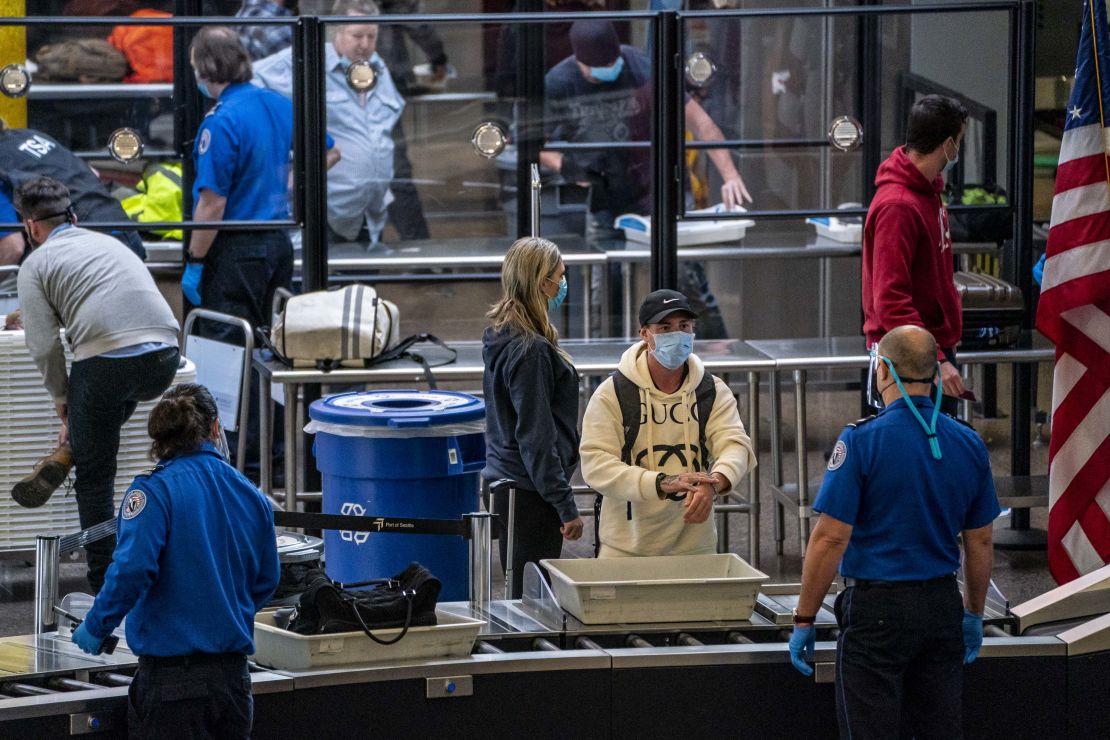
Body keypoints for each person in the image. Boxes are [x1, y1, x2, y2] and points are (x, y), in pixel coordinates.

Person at [788, 325, 999, 739]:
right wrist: (973, 614)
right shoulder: (968, 443)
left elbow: (830, 538)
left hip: (876, 615)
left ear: (882, 370)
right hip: (941, 606)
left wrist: (804, 618)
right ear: (934, 374)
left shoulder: (862, 441)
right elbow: (981, 540)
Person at [71, 383, 280, 739]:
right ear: (215, 429)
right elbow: (267, 579)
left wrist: (97, 625)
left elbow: (132, 569)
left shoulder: (153, 491)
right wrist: (222, 610)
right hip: (233, 683)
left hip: (173, 686)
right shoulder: (251, 494)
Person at [14, 176, 180, 592]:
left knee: (95, 475)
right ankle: (73, 445)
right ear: (73, 216)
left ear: (31, 226)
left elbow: (43, 343)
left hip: (107, 363)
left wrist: (60, 399)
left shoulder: (36, 263)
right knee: (102, 412)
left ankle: (104, 580)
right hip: (164, 356)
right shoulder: (108, 243)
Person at [185, 26, 337, 475]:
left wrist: (194, 261)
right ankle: (275, 452)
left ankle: (244, 461)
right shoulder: (277, 104)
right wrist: (283, 185)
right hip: (277, 243)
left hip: (236, 249)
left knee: (234, 353)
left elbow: (211, 202)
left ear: (206, 67)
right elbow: (328, 152)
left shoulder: (222, 120)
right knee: (267, 348)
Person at [541, 19, 750, 337]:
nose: (609, 69)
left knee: (688, 282)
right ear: (580, 62)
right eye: (600, 67)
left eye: (613, 63)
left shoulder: (642, 68)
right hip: (606, 195)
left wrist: (730, 174)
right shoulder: (559, 83)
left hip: (658, 190)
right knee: (604, 291)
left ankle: (713, 366)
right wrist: (569, 167)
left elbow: (702, 124)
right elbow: (533, 144)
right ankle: (604, 378)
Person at [579, 289, 755, 557]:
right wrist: (660, 482)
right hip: (625, 549)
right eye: (664, 327)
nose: (677, 335)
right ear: (644, 334)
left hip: (695, 547)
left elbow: (735, 444)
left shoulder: (711, 390)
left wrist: (715, 482)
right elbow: (596, 463)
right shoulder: (612, 393)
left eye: (684, 326)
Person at [482, 236, 585, 598]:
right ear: (543, 283)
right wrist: (565, 505)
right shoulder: (532, 352)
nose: (563, 283)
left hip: (507, 481)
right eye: (560, 275)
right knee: (533, 600)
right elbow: (536, 438)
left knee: (520, 591)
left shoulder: (504, 337)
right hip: (530, 492)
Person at [253, 0, 404, 245]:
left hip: (370, 213)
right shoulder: (308, 60)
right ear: (338, 31)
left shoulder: (378, 67)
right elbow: (248, 79)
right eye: (357, 36)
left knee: (366, 281)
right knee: (327, 282)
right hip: (326, 211)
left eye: (371, 36)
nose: (365, 45)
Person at [862, 94, 970, 414]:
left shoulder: (929, 191)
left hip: (930, 350)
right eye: (959, 142)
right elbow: (891, 298)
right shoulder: (898, 205)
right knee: (913, 457)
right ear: (948, 144)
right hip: (908, 362)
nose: (958, 150)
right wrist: (935, 359)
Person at [0, 120, 147, 260]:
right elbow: (94, 172)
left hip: (85, 249)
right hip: (122, 228)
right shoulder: (28, 135)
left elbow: (12, 248)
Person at [376, 0, 448, 242]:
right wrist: (437, 56)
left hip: (333, 72)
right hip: (379, 76)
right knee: (396, 170)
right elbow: (413, 19)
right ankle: (419, 251)